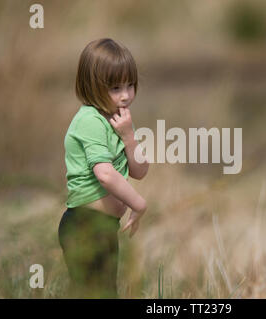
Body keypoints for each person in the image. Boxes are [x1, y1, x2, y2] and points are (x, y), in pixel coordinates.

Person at [58, 38, 149, 298]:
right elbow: (105, 174)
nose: (126, 95)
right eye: (116, 87)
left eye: (130, 85)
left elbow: (140, 171)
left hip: (104, 226)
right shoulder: (90, 120)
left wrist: (129, 138)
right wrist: (138, 203)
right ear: (92, 87)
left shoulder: (117, 121)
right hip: (85, 226)